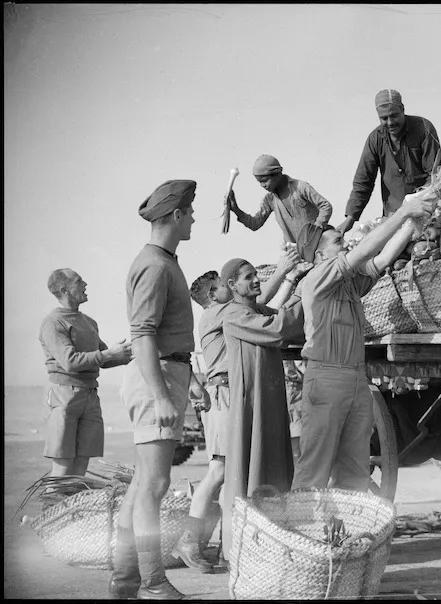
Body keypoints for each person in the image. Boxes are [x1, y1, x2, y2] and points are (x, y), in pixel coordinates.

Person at [170, 248, 307, 573]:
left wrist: (288, 280)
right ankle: (189, 539)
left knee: (234, 470)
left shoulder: (226, 311)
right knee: (221, 469)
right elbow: (265, 314)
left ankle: (222, 543)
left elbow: (262, 308)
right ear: (214, 294)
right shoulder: (219, 312)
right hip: (225, 396)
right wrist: (286, 274)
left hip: (233, 393)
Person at [291, 193, 434, 493]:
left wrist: (411, 224)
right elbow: (364, 252)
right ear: (320, 256)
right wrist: (403, 211)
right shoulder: (316, 280)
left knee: (355, 467)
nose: (346, 246)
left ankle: (348, 535)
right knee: (314, 467)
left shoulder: (347, 282)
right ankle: (300, 533)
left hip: (355, 377)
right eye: (338, 244)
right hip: (326, 377)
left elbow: (380, 260)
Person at [108, 179, 210, 600]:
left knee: (143, 483)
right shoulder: (155, 265)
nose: (193, 218)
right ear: (174, 216)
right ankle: (152, 581)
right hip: (158, 378)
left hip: (167, 373)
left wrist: (191, 382)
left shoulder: (163, 260)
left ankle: (127, 579)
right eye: (189, 212)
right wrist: (162, 395)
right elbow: (144, 334)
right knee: (155, 485)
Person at [219, 256, 310, 561]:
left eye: (256, 275)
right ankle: (244, 548)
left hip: (268, 401)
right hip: (252, 403)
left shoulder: (255, 310)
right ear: (232, 285)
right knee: (251, 463)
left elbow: (291, 325)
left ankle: (270, 541)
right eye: (248, 277)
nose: (256, 280)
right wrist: (307, 289)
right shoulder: (232, 314)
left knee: (272, 461)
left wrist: (297, 285)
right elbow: (280, 327)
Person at [39, 269, 132, 481]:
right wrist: (109, 353)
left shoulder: (89, 322)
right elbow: (70, 361)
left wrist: (134, 354)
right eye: (79, 281)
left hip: (90, 395)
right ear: (65, 290)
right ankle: (51, 513)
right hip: (65, 396)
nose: (85, 284)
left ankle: (72, 513)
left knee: (80, 467)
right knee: (62, 467)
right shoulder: (53, 322)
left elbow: (104, 360)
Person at [338, 89, 441, 235]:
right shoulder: (375, 139)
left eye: (394, 116)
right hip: (393, 218)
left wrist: (417, 201)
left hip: (426, 212)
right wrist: (351, 217)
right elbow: (363, 182)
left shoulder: (423, 128)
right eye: (384, 118)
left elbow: (434, 175)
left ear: (402, 109)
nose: (390, 122)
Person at [224, 154, 333, 244]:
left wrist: (316, 230)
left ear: (277, 174)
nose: (263, 185)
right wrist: (236, 209)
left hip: (320, 244)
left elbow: (325, 206)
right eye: (260, 182)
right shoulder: (270, 200)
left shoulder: (300, 187)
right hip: (296, 252)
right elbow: (255, 223)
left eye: (265, 181)